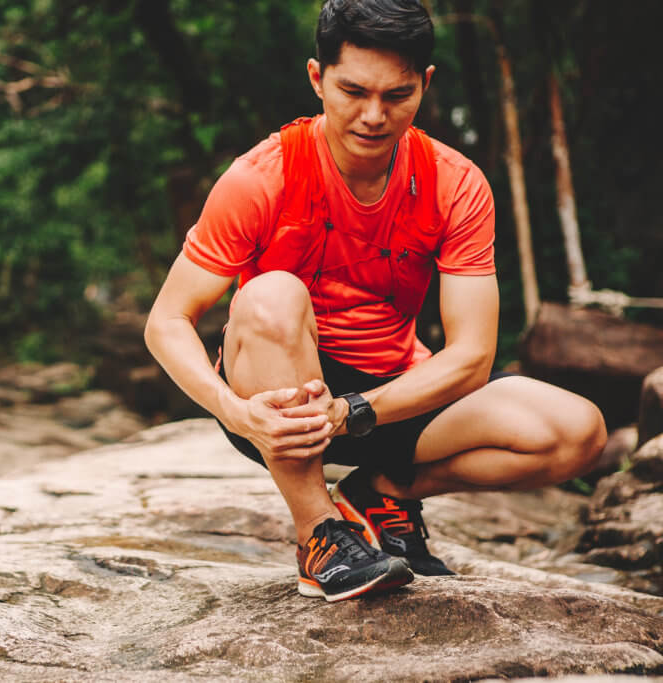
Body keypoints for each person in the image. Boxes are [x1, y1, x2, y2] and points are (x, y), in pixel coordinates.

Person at [144, 0, 607, 602]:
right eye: (352, 90)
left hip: (390, 397)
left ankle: (383, 491)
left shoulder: (453, 182)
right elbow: (167, 320)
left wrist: (353, 411)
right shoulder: (263, 176)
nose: (372, 115)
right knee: (270, 294)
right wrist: (234, 411)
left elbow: (472, 355)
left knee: (579, 431)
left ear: (426, 84)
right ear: (317, 78)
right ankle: (321, 534)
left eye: (397, 95)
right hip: (279, 392)